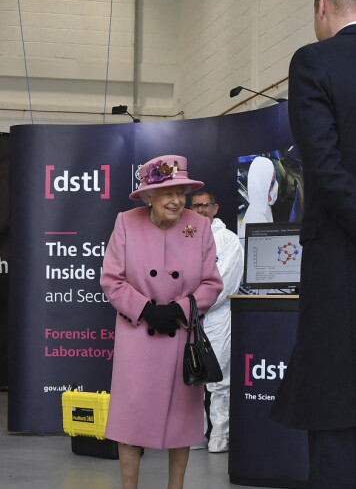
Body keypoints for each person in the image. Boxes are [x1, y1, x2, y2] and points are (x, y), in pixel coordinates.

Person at [270, 0, 356, 488]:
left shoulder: (313, 62)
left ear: (322, 6)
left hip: (339, 272)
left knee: (336, 416)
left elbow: (323, 170)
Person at [100, 155, 223, 489]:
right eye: (166, 192)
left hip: (182, 339)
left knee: (181, 424)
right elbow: (112, 280)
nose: (175, 200)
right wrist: (146, 310)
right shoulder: (127, 222)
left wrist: (182, 310)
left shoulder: (198, 227)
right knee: (130, 424)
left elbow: (212, 283)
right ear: (147, 196)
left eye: (180, 191)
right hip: (138, 336)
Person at [190, 188, 243, 453]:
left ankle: (220, 435)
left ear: (215, 208)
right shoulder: (186, 235)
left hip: (217, 317)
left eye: (205, 206)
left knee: (220, 380)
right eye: (196, 206)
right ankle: (194, 434)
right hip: (188, 320)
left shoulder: (229, 240)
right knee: (193, 379)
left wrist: (194, 305)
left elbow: (223, 284)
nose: (200, 210)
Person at [239, 156, 278, 238]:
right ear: (264, 187)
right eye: (273, 182)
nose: (275, 186)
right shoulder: (258, 221)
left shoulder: (261, 210)